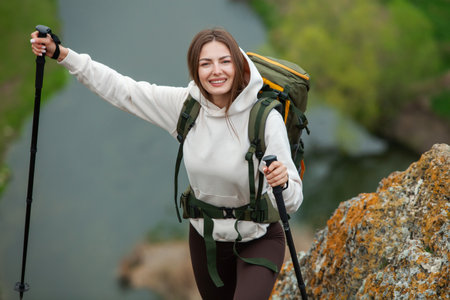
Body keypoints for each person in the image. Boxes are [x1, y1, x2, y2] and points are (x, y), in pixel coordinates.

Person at [30, 27, 303, 299]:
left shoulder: (265, 119)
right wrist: (61, 55)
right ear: (195, 70)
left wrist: (283, 182)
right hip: (206, 240)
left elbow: (292, 200)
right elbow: (122, 90)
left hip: (258, 239)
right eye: (205, 63)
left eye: (224, 61)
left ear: (239, 64)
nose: (216, 71)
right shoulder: (185, 107)